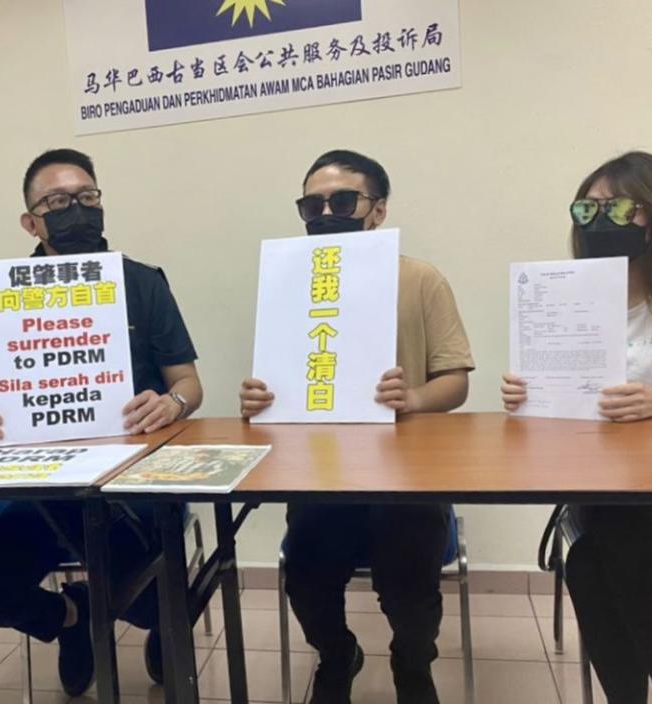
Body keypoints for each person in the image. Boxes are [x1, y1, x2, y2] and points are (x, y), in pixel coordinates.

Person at [0, 148, 203, 696]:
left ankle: (159, 618)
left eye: (88, 198)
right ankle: (73, 620)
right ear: (31, 221)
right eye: (58, 201)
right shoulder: (13, 295)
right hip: (45, 483)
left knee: (151, 601)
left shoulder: (141, 283)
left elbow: (188, 384)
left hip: (133, 478)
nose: (78, 210)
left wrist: (172, 404)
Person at [239, 149, 475, 704]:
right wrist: (259, 398)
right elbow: (280, 380)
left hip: (406, 472)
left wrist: (414, 397)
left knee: (410, 589)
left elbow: (457, 380)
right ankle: (338, 652)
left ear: (378, 210)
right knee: (307, 575)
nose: (326, 212)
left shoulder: (419, 279)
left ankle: (413, 662)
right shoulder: (289, 281)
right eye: (312, 203)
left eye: (342, 200)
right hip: (320, 471)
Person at [501, 151, 652, 704]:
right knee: (598, 549)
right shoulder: (566, 292)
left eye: (618, 207)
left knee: (609, 544)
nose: (600, 220)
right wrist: (525, 394)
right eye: (588, 209)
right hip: (610, 491)